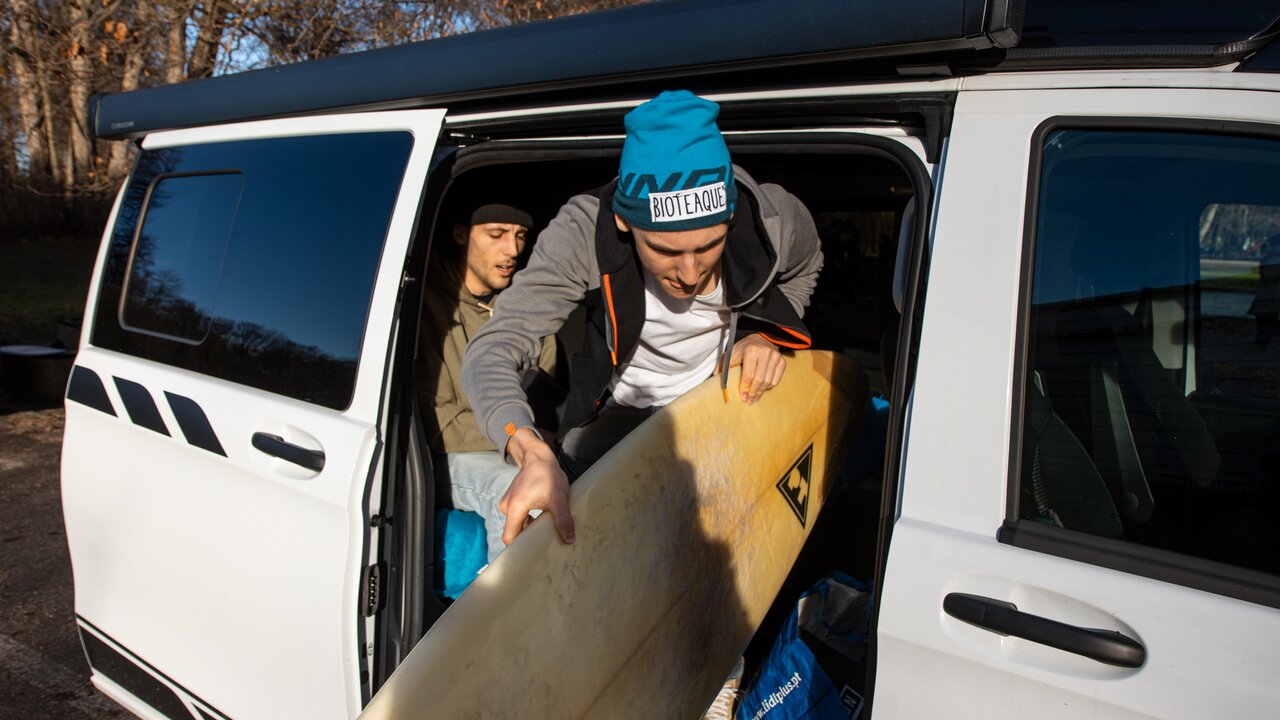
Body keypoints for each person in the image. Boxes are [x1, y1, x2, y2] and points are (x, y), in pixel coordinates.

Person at [461, 90, 824, 549]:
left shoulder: (772, 219)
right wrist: (527, 445)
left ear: (729, 215)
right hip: (613, 422)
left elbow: (806, 266)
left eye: (708, 246)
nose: (689, 274)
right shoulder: (582, 234)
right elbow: (493, 348)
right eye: (665, 251)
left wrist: (763, 334)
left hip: (720, 407)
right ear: (625, 225)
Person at [416, 200, 558, 563]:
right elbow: (438, 426)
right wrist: (521, 438)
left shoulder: (528, 309)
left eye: (521, 236)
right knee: (519, 495)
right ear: (462, 235)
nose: (512, 250)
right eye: (496, 235)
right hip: (449, 456)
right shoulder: (428, 307)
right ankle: (509, 615)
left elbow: (547, 398)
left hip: (521, 446)